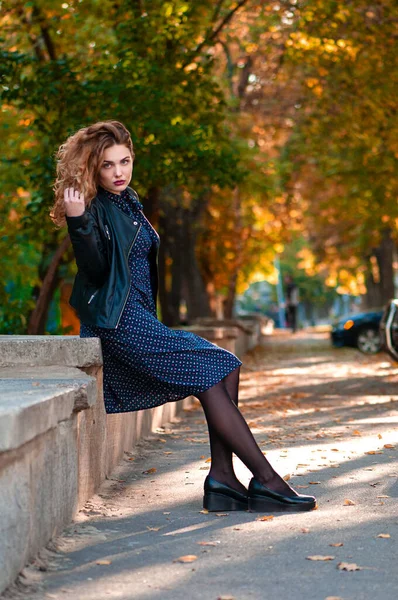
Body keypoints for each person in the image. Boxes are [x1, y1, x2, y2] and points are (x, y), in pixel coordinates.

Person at [50, 121, 316, 513]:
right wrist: (77, 221)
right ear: (93, 168)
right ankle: (268, 480)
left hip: (139, 318)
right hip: (118, 322)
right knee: (211, 368)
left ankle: (224, 478)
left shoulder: (128, 202)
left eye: (125, 161)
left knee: (225, 365)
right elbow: (95, 271)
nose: (119, 172)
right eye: (108, 165)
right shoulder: (92, 208)